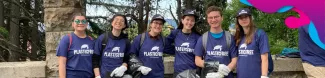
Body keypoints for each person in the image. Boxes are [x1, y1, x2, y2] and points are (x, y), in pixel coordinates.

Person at [194, 6, 237, 78]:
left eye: (216, 17)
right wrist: (215, 66)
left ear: (222, 18)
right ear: (207, 20)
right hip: (208, 76)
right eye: (210, 17)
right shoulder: (203, 38)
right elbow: (197, 60)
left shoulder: (230, 38)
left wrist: (225, 71)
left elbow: (235, 60)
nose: (213, 20)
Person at [234, 8, 270, 78]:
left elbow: (265, 57)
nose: (243, 19)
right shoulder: (238, 36)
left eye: (246, 17)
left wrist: (264, 75)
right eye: (241, 18)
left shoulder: (260, 34)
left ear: (250, 18)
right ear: (238, 21)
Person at [165, 9, 201, 78]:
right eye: (187, 19)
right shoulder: (175, 33)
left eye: (192, 20)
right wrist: (175, 50)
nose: (190, 22)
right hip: (178, 72)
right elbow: (165, 46)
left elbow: (201, 55)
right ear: (182, 20)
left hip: (192, 73)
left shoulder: (198, 37)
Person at [56, 14, 94, 78]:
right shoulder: (67, 39)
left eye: (83, 21)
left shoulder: (91, 40)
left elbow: (95, 61)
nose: (80, 23)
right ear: (73, 24)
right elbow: (62, 63)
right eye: (77, 21)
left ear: (87, 24)